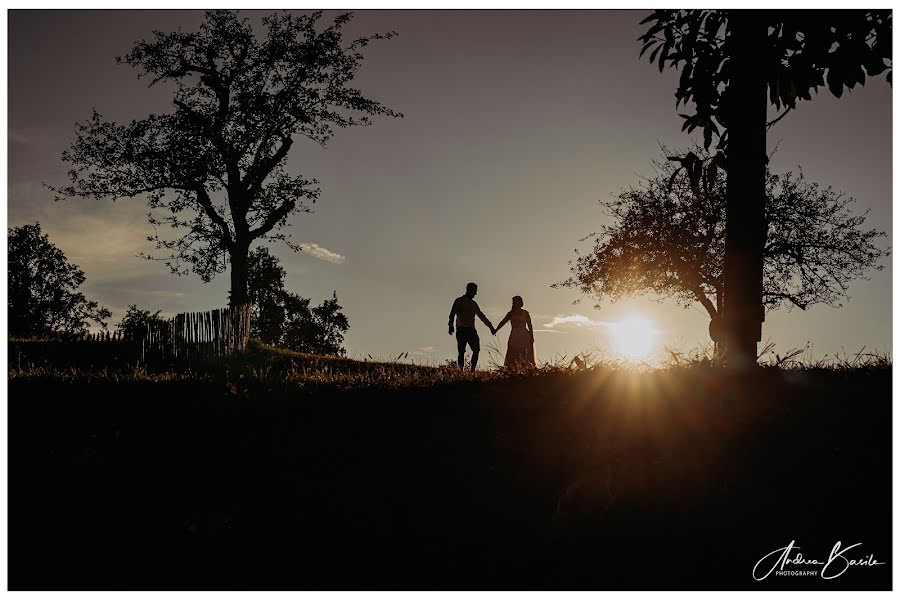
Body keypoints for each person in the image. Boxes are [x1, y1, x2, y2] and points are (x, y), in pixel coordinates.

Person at [448, 282, 495, 371]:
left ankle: (472, 371)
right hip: (461, 329)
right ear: (470, 290)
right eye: (475, 291)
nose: (476, 293)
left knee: (476, 350)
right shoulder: (459, 301)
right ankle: (461, 371)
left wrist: (491, 327)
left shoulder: (474, 304)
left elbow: (482, 316)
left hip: (471, 330)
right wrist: (450, 325)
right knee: (461, 352)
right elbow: (452, 314)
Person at [493, 295, 536, 368]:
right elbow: (503, 322)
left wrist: (531, 336)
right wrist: (496, 330)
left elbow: (530, 325)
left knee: (524, 353)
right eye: (514, 302)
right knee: (512, 352)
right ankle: (513, 369)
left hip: (524, 335)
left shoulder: (525, 313)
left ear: (520, 303)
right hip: (514, 335)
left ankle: (525, 368)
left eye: (516, 302)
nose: (514, 304)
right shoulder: (511, 313)